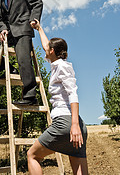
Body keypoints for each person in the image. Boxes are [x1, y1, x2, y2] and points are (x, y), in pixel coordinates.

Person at [27, 19, 88, 175]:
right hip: (77, 124)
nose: (45, 49)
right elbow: (46, 44)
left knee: (32, 155)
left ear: (52, 51)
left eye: (48, 49)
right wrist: (39, 28)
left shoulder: (62, 66)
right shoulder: (57, 64)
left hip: (66, 123)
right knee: (79, 170)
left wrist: (74, 125)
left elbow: (73, 93)